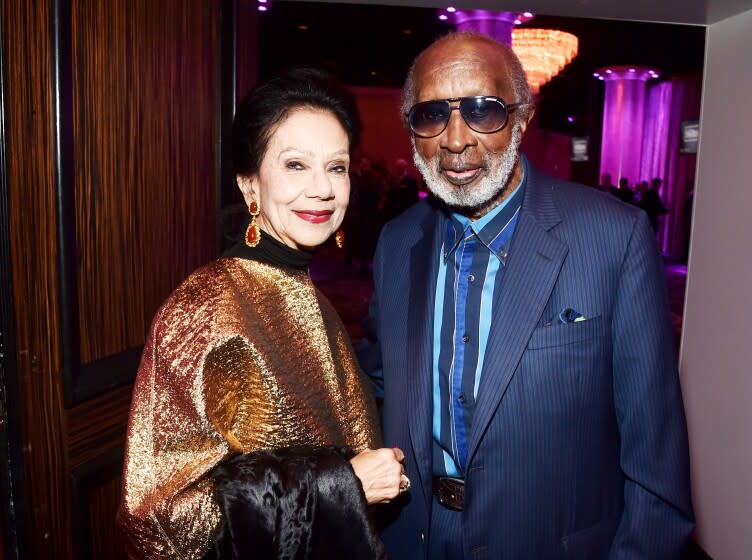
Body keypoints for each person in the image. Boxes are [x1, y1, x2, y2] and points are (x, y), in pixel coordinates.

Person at [358, 32, 694, 559]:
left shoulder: (612, 237)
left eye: (482, 110)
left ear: (523, 117)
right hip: (414, 538)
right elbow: (377, 380)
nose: (455, 139)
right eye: (431, 115)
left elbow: (656, 463)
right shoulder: (398, 242)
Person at [117, 67, 408, 560]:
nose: (323, 189)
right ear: (249, 183)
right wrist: (342, 484)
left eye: (336, 167)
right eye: (296, 164)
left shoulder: (303, 288)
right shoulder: (206, 309)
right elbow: (157, 517)